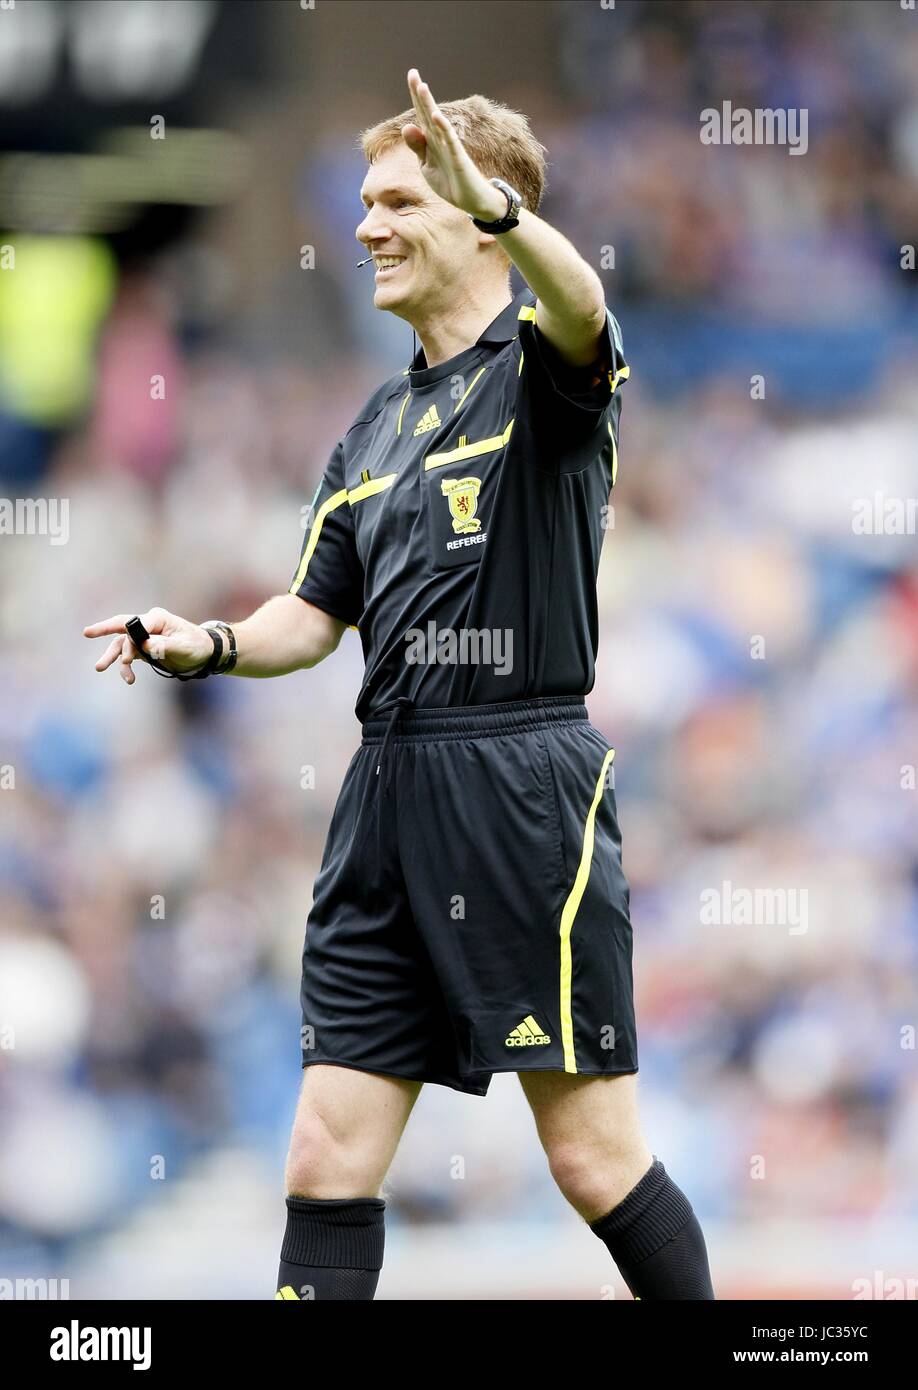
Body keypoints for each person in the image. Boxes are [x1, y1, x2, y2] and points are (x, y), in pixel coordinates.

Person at [85, 69, 714, 1302]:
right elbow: (311, 620)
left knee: (591, 1158)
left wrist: (504, 218)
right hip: (386, 795)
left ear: (481, 212)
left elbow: (585, 304)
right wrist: (204, 640)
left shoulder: (548, 372)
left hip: (521, 785)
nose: (363, 225)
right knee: (324, 1151)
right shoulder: (369, 429)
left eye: (395, 200)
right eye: (365, 200)